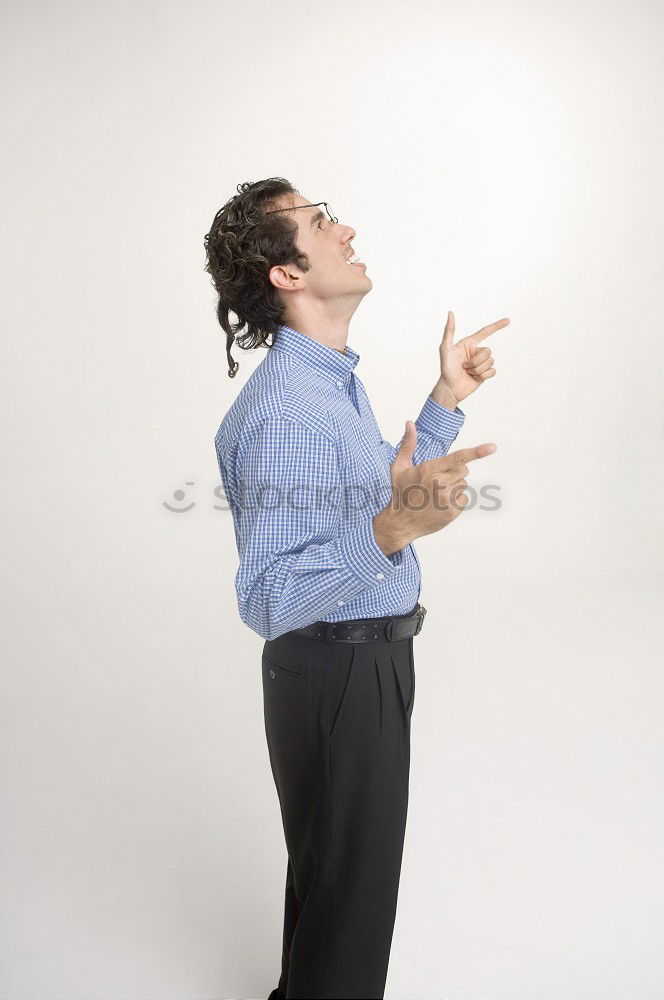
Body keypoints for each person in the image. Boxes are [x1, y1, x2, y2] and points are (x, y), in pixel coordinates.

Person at [204, 178, 509, 999]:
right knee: (350, 906)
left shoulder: (326, 383)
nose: (345, 230)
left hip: (353, 670)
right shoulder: (283, 411)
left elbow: (378, 485)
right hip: (335, 674)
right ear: (287, 274)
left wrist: (444, 401)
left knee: (339, 893)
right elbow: (268, 598)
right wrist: (391, 531)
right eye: (320, 222)